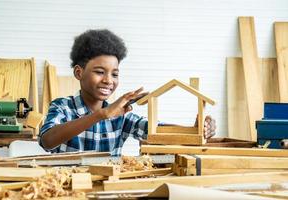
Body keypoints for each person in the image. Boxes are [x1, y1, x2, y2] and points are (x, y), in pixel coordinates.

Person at [38, 29, 216, 156]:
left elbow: (156, 131)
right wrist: (101, 115)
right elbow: (47, 140)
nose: (108, 80)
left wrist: (195, 130)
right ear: (79, 73)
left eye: (114, 74)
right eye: (100, 72)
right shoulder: (62, 107)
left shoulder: (121, 117)